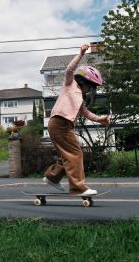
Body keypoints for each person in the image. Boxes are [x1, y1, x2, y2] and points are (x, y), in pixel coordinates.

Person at [43, 44, 110, 196]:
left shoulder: (80, 96)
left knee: (67, 155)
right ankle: (78, 187)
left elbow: (86, 113)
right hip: (59, 122)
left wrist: (101, 119)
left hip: (62, 125)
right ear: (83, 80)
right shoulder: (69, 83)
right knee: (76, 153)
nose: (90, 90)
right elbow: (69, 70)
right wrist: (80, 53)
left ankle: (52, 177)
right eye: (91, 86)